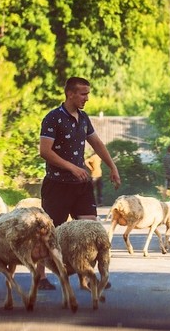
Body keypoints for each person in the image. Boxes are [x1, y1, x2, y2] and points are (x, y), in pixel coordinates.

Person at [38, 76, 121, 289]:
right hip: (57, 185)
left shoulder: (84, 118)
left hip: (81, 185)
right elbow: (45, 151)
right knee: (48, 231)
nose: (87, 98)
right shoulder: (53, 118)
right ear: (70, 94)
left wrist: (112, 167)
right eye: (83, 94)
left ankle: (86, 275)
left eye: (87, 94)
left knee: (90, 228)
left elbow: (97, 143)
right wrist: (72, 167)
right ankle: (40, 277)